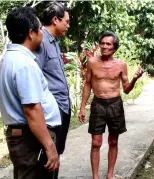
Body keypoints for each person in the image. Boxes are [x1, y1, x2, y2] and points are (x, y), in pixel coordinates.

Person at [0, 7, 60, 179]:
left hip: (25, 136)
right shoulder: (24, 64)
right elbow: (32, 110)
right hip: (31, 139)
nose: (42, 33)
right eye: (40, 29)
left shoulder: (9, 58)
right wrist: (49, 146)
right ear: (31, 33)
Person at [78, 31, 144, 179]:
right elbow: (88, 84)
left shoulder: (121, 65)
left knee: (113, 141)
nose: (104, 46)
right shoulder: (92, 62)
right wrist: (82, 107)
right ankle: (95, 177)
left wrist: (134, 79)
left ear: (114, 47)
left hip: (115, 104)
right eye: (102, 43)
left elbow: (126, 90)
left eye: (108, 44)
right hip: (98, 104)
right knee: (96, 142)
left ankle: (110, 175)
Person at [34, 1, 71, 162]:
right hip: (52, 109)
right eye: (66, 22)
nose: (68, 25)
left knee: (57, 154)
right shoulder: (41, 41)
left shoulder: (54, 41)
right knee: (48, 158)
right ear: (55, 20)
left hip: (62, 106)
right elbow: (35, 77)